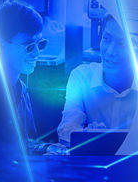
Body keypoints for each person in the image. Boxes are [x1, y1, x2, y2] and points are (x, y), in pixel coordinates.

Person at [58, 14, 138, 146]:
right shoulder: (82, 77)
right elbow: (66, 132)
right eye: (106, 39)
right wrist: (87, 135)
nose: (110, 51)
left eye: (122, 43)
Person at [0, 0, 53, 153]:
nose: (37, 53)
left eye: (40, 44)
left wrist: (46, 149)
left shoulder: (20, 88)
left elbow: (27, 144)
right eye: (29, 46)